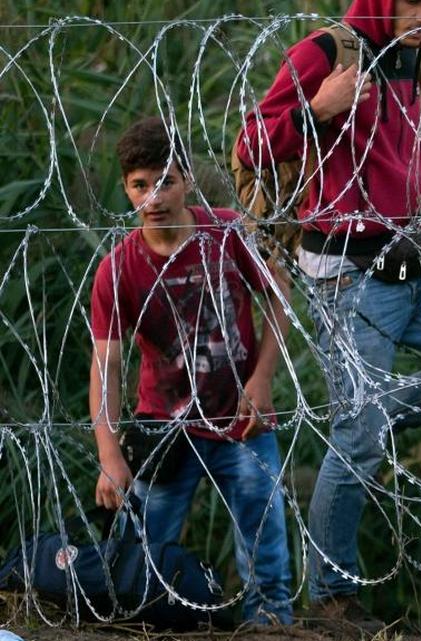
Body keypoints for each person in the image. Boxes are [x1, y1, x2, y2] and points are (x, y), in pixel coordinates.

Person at [234, 0, 421, 626]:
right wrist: (317, 108)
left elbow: (377, 146)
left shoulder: (410, 51)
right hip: (348, 270)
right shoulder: (325, 52)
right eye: (414, 2)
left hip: (413, 256)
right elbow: (251, 144)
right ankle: (330, 598)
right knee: (358, 435)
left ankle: (391, 406)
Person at [89, 116, 293, 624]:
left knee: (266, 562)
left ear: (185, 181)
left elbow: (278, 295)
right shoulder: (120, 269)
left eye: (166, 182)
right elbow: (107, 365)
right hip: (165, 428)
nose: (154, 198)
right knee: (139, 560)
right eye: (141, 186)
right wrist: (110, 454)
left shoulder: (224, 231)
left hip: (241, 421)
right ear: (127, 189)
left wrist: (262, 378)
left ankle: (267, 631)